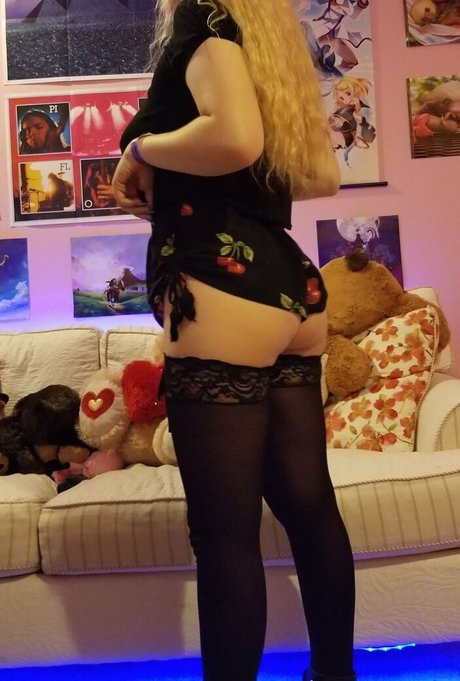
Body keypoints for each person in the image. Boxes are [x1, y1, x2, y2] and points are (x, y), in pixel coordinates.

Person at [112, 1, 356, 680]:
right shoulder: (268, 39)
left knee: (224, 536)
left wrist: (140, 148)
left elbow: (236, 139)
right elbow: (320, 175)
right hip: (291, 285)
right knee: (310, 508)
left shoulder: (203, 15)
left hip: (221, 283)